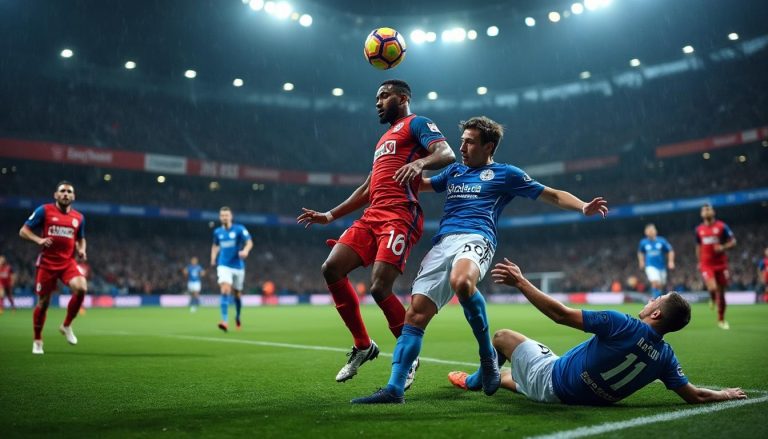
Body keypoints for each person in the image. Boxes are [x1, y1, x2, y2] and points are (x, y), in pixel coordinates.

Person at [352, 116, 608, 404]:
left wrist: (583, 206)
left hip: (477, 238)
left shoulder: (505, 174)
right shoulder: (454, 171)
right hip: (442, 244)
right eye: (461, 142)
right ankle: (394, 388)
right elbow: (420, 185)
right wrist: (393, 169)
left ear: (489, 147)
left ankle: (487, 355)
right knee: (415, 315)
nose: (462, 148)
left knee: (461, 282)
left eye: (470, 142)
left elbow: (553, 195)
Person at [297, 79, 455, 384]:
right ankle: (363, 346)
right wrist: (329, 215)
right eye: (377, 98)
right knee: (331, 268)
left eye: (384, 96)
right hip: (372, 216)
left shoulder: (417, 123)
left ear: (403, 98)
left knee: (380, 287)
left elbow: (446, 153)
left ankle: (408, 357)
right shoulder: (383, 139)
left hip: (400, 215)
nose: (378, 103)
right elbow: (367, 188)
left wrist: (421, 163)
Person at [448, 258, 748, 406]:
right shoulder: (666, 358)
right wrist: (725, 394)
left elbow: (561, 315)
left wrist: (521, 283)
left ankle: (475, 381)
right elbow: (695, 395)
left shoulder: (623, 324)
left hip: (554, 378)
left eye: (655, 300)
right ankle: (490, 379)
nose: (649, 300)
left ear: (656, 313)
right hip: (573, 395)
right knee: (508, 377)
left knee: (501, 337)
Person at [19, 181, 88, 355]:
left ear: (73, 196)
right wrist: (39, 240)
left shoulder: (79, 218)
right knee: (43, 303)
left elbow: (81, 238)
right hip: (47, 264)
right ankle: (37, 340)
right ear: (56, 195)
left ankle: (66, 325)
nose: (65, 194)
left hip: (67, 263)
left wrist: (81, 249)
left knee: (81, 287)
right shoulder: (44, 210)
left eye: (69, 192)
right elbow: (23, 231)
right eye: (62, 191)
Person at [210, 207, 253, 332]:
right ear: (220, 217)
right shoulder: (217, 232)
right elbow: (215, 246)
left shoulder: (239, 229)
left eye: (226, 215)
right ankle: (224, 321)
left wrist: (245, 251)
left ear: (231, 216)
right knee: (225, 290)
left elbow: (249, 242)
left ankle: (238, 316)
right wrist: (213, 257)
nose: (224, 217)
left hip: (238, 266)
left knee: (237, 294)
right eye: (222, 215)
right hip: (223, 265)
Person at [695, 204, 736, 329]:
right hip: (706, 264)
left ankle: (721, 320)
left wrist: (723, 247)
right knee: (713, 288)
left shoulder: (722, 226)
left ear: (713, 212)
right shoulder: (699, 230)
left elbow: (733, 242)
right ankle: (712, 298)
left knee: (721, 293)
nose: (706, 211)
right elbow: (698, 246)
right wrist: (699, 261)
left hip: (721, 264)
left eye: (708, 209)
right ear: (701, 214)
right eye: (704, 210)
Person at [637, 223, 675, 298]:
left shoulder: (662, 241)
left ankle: (659, 298)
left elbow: (670, 251)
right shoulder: (643, 242)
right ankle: (655, 300)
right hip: (650, 266)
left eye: (652, 230)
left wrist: (671, 262)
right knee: (655, 282)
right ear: (646, 232)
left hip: (661, 267)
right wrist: (641, 262)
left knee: (661, 285)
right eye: (649, 230)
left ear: (655, 231)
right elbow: (640, 252)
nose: (650, 232)